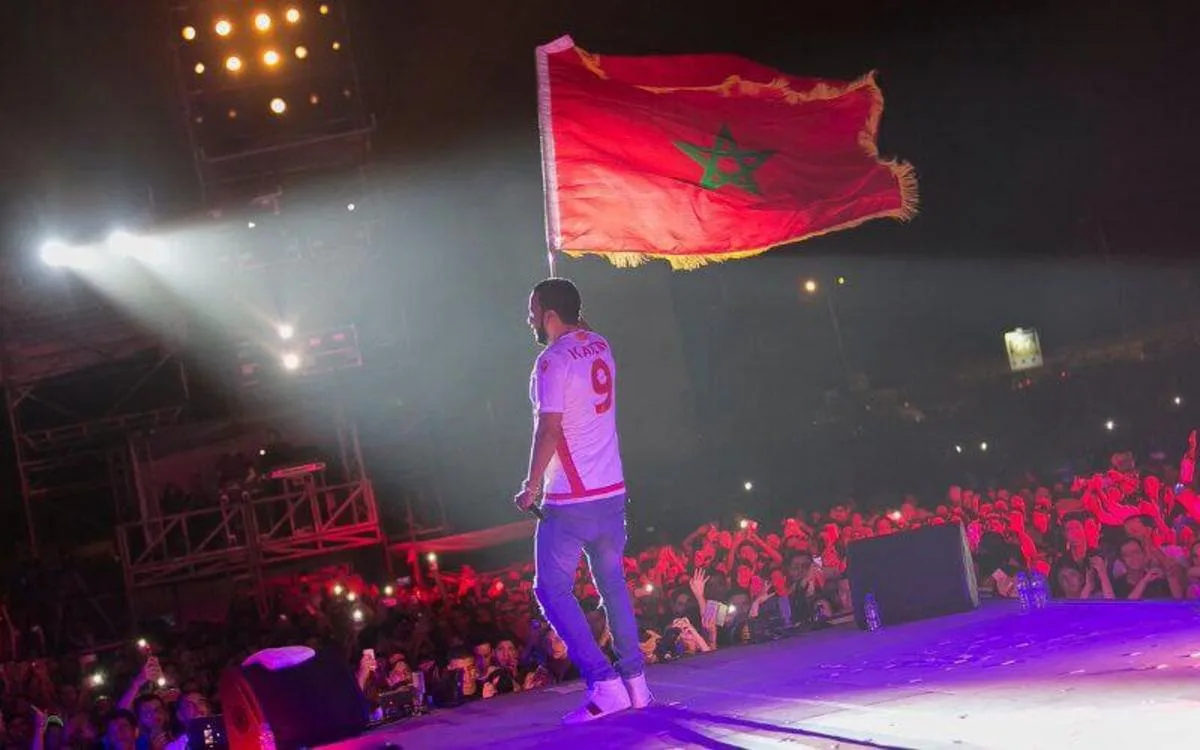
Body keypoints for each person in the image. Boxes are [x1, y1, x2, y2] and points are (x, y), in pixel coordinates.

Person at [513, 278, 649, 723]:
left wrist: (530, 485)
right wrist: (568, 314)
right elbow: (580, 328)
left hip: (572, 498)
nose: (529, 318)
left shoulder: (550, 362)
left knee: (550, 590)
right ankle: (636, 683)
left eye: (534, 310)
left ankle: (604, 684)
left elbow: (549, 429)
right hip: (612, 491)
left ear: (550, 314)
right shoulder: (601, 344)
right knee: (613, 586)